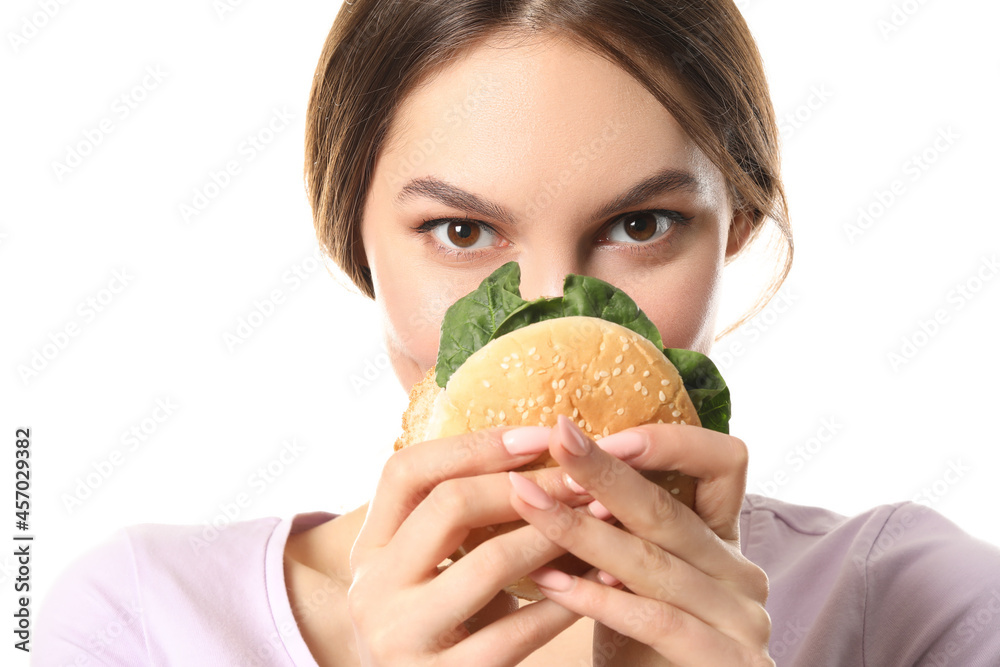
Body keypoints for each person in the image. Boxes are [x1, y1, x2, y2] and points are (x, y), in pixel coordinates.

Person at [35, 1, 1000, 665]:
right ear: (352, 242)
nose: (550, 315)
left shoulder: (911, 607)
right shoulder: (140, 620)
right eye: (461, 232)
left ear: (736, 227)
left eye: (641, 225)